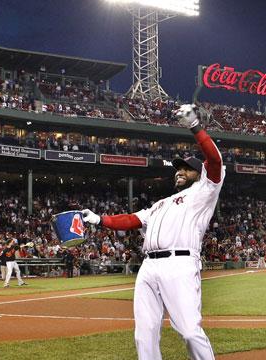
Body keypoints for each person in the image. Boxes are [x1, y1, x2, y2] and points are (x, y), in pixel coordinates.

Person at [79, 104, 223, 360]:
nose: (179, 171)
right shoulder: (161, 204)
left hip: (180, 264)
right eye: (178, 168)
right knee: (144, 333)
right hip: (149, 267)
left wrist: (194, 126)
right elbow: (132, 219)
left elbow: (215, 160)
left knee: (189, 331)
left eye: (186, 168)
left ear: (198, 174)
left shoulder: (204, 192)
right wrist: (99, 219)